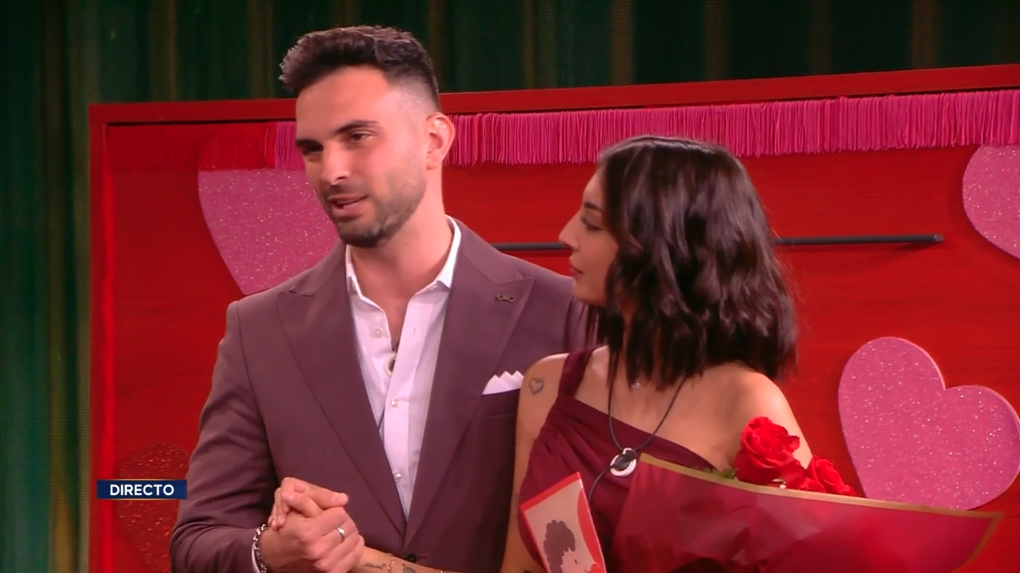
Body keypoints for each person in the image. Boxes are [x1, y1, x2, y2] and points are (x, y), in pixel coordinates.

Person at [169, 25, 587, 573]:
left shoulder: (563, 312)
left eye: (358, 137)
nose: (332, 171)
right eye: (313, 150)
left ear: (434, 140)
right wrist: (270, 552)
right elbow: (197, 540)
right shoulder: (260, 330)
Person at [499, 136, 810, 571]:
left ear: (663, 246)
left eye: (592, 224)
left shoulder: (748, 402)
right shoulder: (546, 386)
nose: (566, 236)